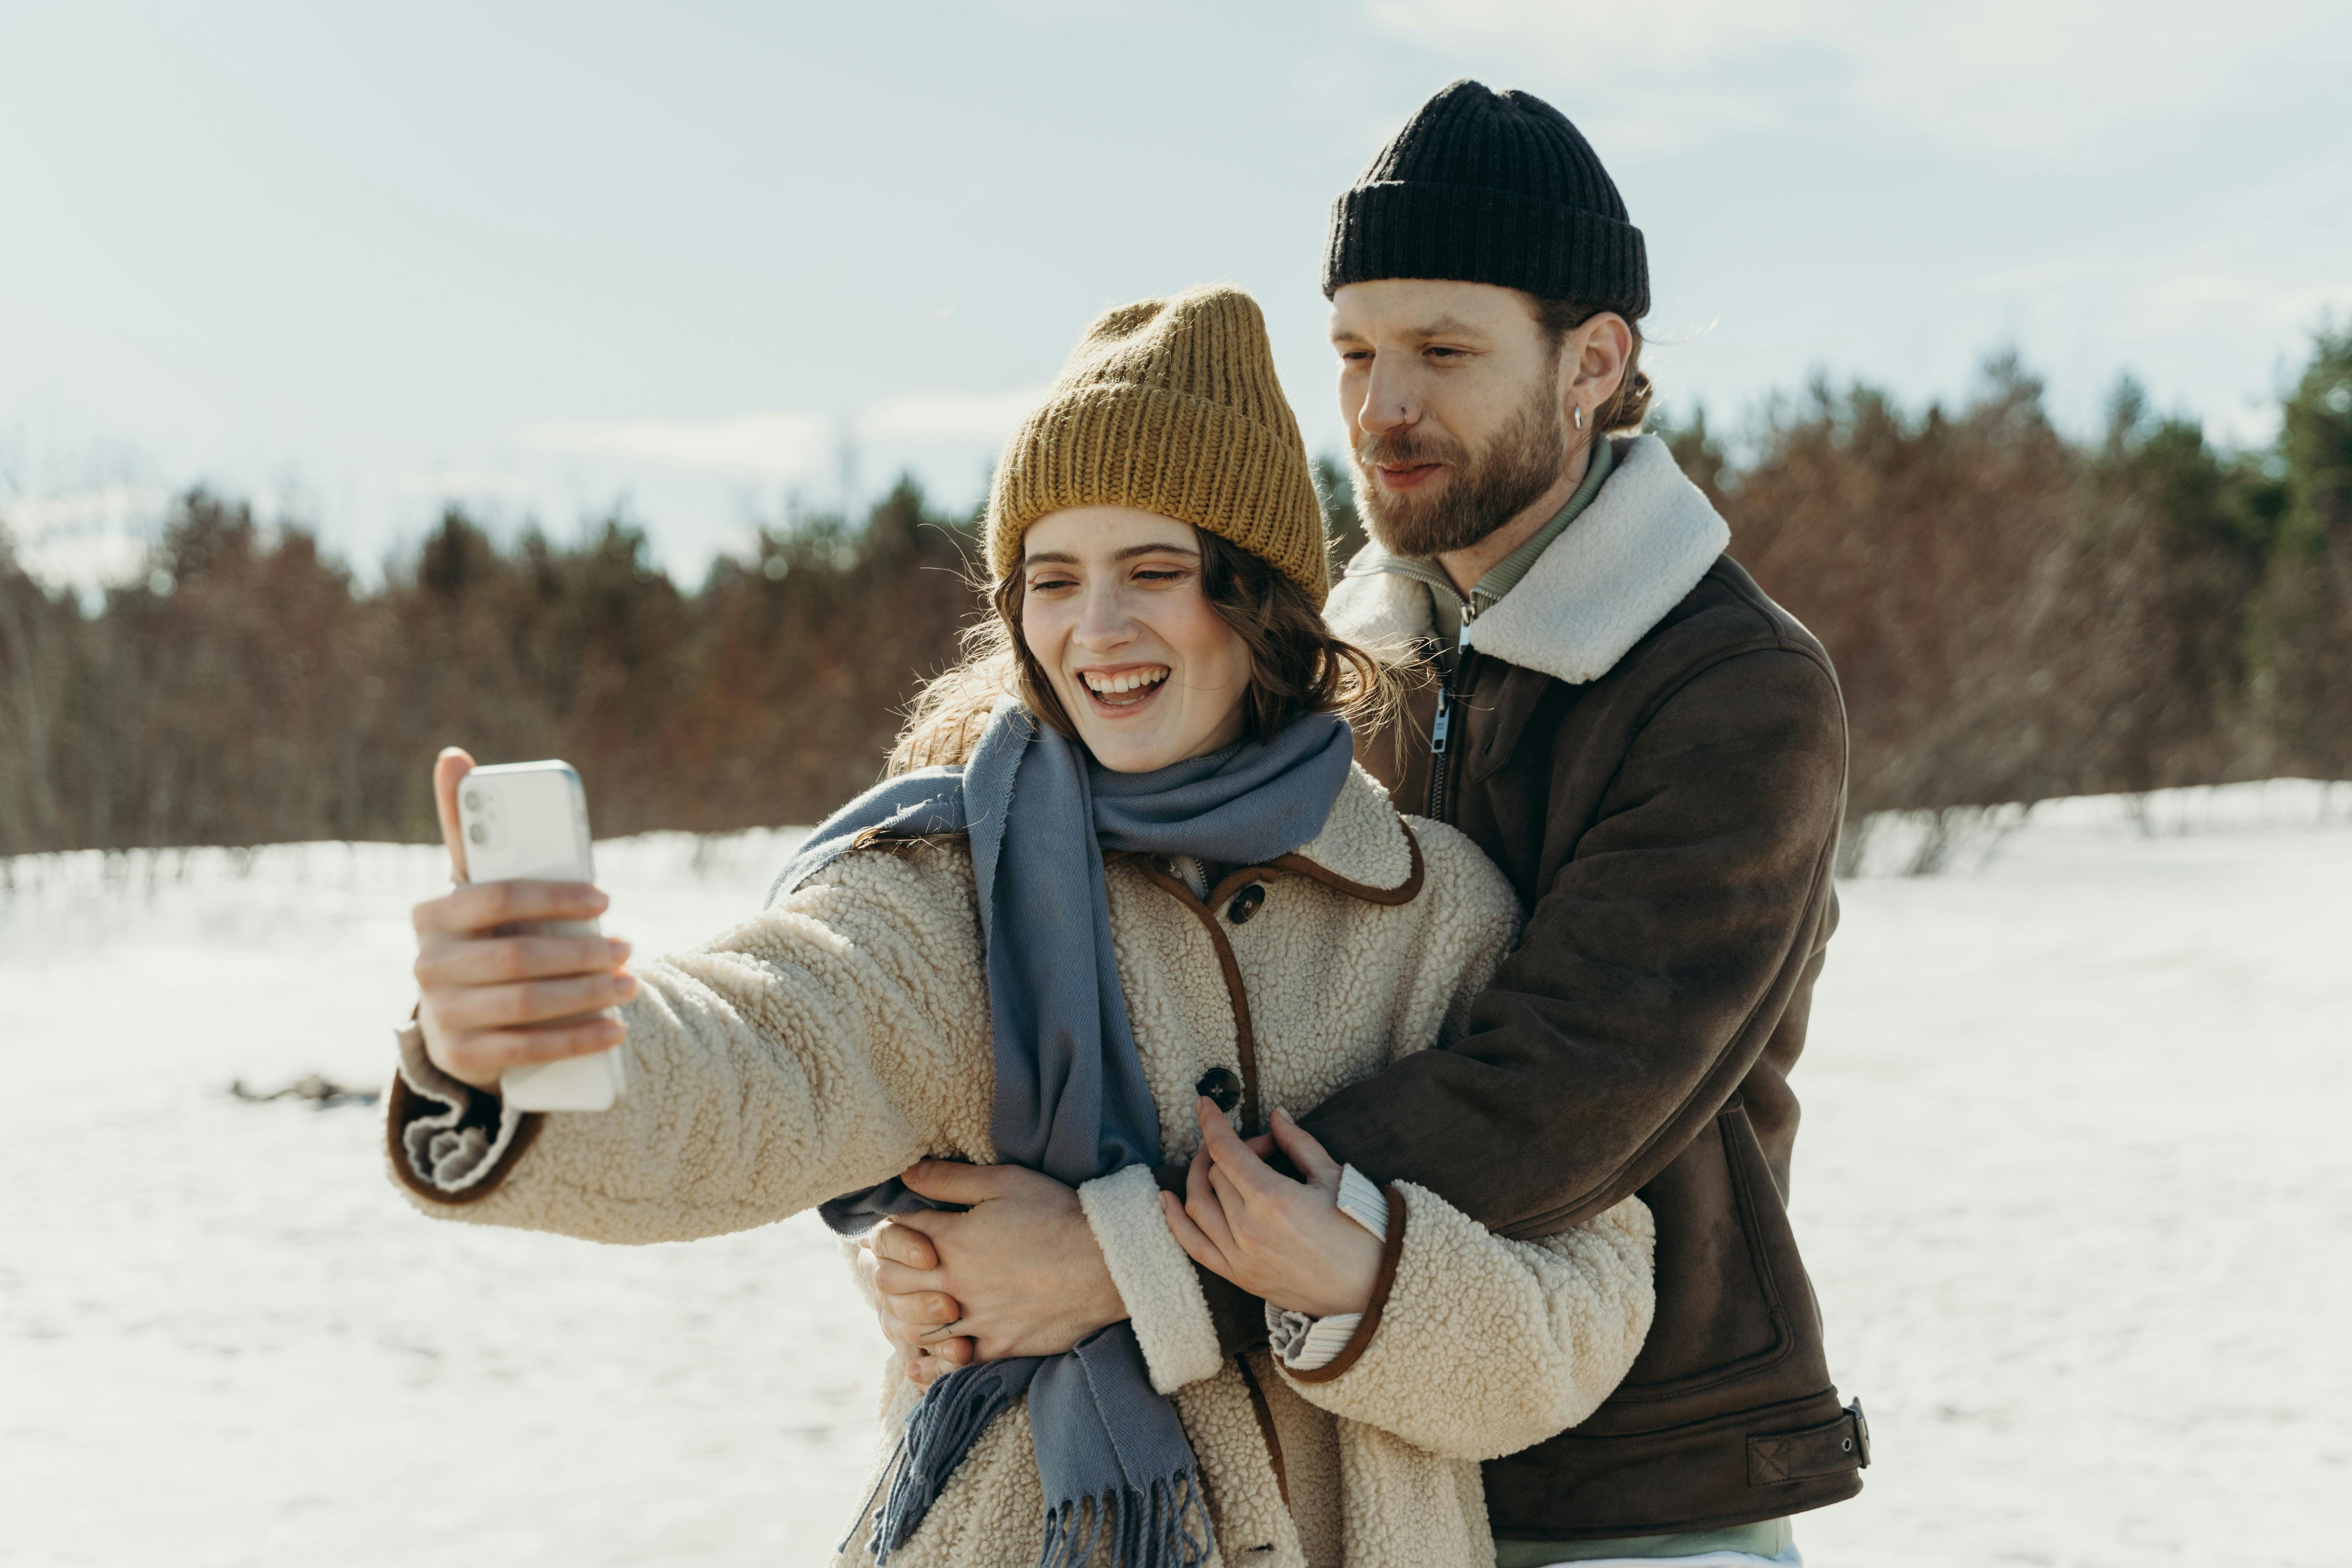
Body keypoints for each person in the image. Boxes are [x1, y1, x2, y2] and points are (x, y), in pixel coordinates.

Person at [387, 284, 1659, 1568]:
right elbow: (761, 1050)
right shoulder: (954, 888)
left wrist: (1354, 1273)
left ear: (1255, 597)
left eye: (1153, 571)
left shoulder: (1436, 913)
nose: (1095, 630)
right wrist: (518, 1049)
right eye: (1053, 580)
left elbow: (1590, 1307)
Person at [864, 81, 1863, 1567]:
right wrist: (953, 1242)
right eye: (1353, 353)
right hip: (1359, 1454)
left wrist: (1114, 1259)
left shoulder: (1730, 691)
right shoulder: (1332, 667)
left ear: (1594, 363)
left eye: (1444, 353)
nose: (1381, 408)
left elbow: (1563, 1094)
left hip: (1638, 1480)